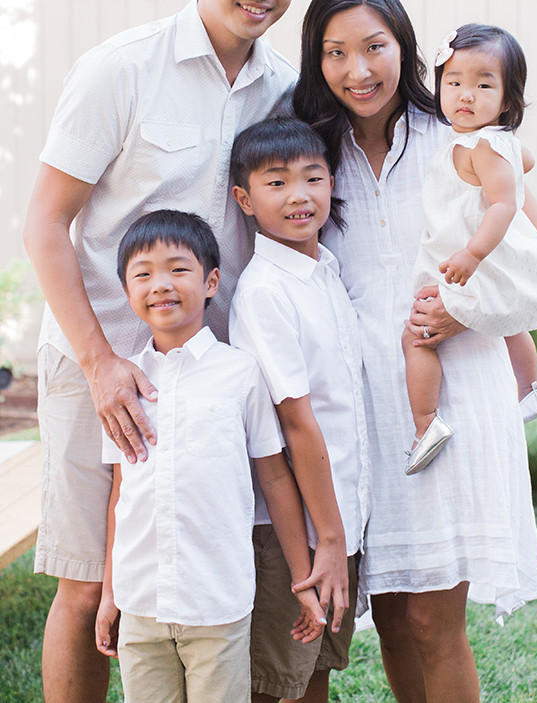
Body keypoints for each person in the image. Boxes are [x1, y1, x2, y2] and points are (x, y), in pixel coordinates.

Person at [23, 0, 308, 703]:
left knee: (207, 578)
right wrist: (103, 362)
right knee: (89, 583)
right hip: (104, 362)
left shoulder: (283, 88)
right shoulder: (122, 67)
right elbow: (45, 225)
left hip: (218, 380)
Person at [292, 0, 537, 702]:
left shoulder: (462, 141)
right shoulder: (308, 156)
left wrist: (466, 303)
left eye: (375, 46)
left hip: (450, 398)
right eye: (335, 51)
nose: (358, 69)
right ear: (315, 61)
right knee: (390, 618)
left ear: (406, 47)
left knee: (431, 620)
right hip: (358, 412)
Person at [94, 209, 325, 703]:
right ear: (126, 290)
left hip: (217, 602)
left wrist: (302, 580)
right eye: (143, 274)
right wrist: (110, 594)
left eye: (178, 269)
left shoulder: (241, 374)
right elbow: (122, 493)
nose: (161, 284)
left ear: (212, 280)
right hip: (141, 600)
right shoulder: (126, 383)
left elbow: (276, 480)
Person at [229, 118, 370, 703]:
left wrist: (344, 534)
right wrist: (330, 540)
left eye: (313, 178)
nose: (299, 196)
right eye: (277, 183)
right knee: (276, 682)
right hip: (297, 532)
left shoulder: (327, 271)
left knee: (316, 676)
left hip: (340, 517)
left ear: (331, 182)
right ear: (244, 199)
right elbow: (296, 422)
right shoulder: (265, 290)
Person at [402, 23, 537, 474]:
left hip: (471, 264)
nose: (465, 95)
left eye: (483, 84)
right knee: (512, 325)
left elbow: (505, 204)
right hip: (484, 264)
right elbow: (525, 163)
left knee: (416, 337)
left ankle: (426, 423)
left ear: (508, 100)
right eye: (453, 83)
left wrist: (471, 253)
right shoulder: (494, 144)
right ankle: (528, 388)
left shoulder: (482, 146)